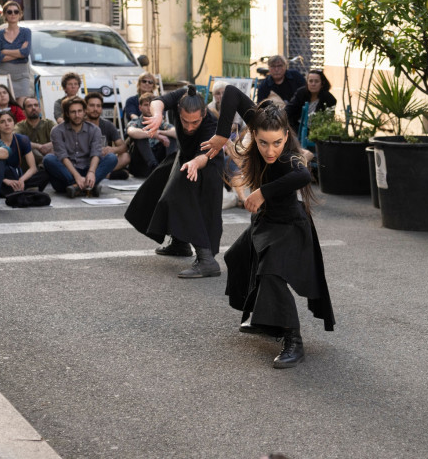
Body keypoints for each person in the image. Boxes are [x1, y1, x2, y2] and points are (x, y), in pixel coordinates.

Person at [200, 85, 335, 369]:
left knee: (271, 272)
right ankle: (265, 320)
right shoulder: (261, 121)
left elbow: (303, 176)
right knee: (236, 257)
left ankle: (292, 340)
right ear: (255, 133)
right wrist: (222, 133)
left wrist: (262, 192)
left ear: (286, 136)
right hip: (265, 220)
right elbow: (232, 93)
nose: (269, 150)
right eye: (262, 143)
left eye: (276, 142)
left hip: (289, 224)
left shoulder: (290, 156)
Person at [125, 85, 223, 278]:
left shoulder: (210, 124)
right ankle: (180, 243)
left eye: (195, 122)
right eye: (185, 121)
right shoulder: (183, 95)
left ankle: (207, 260)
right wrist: (158, 115)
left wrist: (195, 162)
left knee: (177, 197)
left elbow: (205, 155)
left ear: (203, 114)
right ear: (179, 110)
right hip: (185, 157)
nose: (188, 127)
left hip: (205, 164)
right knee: (156, 184)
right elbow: (157, 102)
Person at [43, 96, 117, 197]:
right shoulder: (57, 131)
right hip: (66, 172)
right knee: (48, 159)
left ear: (84, 112)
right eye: (73, 112)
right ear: (67, 114)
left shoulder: (94, 130)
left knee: (112, 158)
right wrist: (77, 176)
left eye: (79, 111)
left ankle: (77, 187)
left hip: (87, 169)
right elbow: (63, 156)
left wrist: (91, 172)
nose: (77, 115)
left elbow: (96, 153)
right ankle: (88, 187)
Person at [0, 110, 47, 195]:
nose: (7, 124)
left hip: (17, 176)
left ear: (14, 123)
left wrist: (21, 180)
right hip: (0, 178)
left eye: (9, 120)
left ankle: (19, 188)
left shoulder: (22, 139)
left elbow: (33, 168)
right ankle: (21, 190)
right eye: (2, 122)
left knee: (45, 172)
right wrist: (5, 180)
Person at [126, 92, 177, 178]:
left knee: (171, 136)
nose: (149, 108)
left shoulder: (161, 123)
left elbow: (175, 132)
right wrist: (153, 134)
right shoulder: (135, 122)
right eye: (146, 105)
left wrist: (160, 133)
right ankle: (154, 167)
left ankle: (169, 166)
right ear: (140, 107)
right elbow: (131, 131)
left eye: (151, 105)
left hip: (158, 160)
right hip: (141, 164)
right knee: (140, 136)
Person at [0, 0, 33, 102]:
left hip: (22, 75)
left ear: (20, 14)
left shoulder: (26, 32)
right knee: (6, 107)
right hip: (4, 74)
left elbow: (25, 53)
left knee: (20, 107)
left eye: (16, 11)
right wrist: (19, 52)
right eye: (9, 12)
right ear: (5, 15)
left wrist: (5, 51)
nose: (13, 14)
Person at [84, 91, 130, 179]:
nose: (95, 109)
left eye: (98, 106)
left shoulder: (107, 125)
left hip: (103, 161)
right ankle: (104, 174)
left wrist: (113, 149)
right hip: (84, 162)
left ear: (101, 108)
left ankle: (101, 173)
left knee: (125, 157)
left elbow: (123, 147)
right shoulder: (79, 124)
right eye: (92, 105)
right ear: (85, 108)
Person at [285, 69, 336, 135]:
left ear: (322, 84)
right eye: (310, 81)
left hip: (317, 131)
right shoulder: (301, 93)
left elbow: (328, 119)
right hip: (296, 127)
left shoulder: (329, 99)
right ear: (307, 82)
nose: (313, 84)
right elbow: (289, 110)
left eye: (316, 81)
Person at [15, 96, 56, 167]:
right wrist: (39, 147)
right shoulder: (19, 126)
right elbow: (16, 139)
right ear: (24, 112)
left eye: (36, 105)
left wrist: (49, 145)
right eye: (29, 106)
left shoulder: (49, 123)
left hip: (51, 163)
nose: (33, 108)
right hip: (29, 166)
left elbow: (63, 137)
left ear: (40, 109)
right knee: (27, 147)